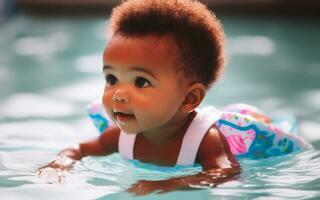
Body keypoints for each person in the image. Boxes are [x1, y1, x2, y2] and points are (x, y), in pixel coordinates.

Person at [37, 0, 307, 195]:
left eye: (140, 82)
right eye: (111, 79)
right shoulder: (121, 135)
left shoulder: (207, 140)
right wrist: (60, 164)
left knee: (250, 120)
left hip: (244, 141)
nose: (118, 94)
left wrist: (170, 184)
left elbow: (226, 173)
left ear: (189, 99)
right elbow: (80, 149)